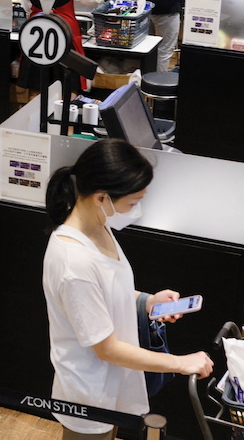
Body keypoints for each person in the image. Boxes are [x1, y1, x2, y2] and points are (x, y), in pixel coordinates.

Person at [42, 138, 214, 439]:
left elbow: (106, 289)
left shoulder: (97, 225)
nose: (137, 208)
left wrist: (147, 302)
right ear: (101, 197)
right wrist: (180, 363)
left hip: (111, 383)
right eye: (133, 201)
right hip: (90, 394)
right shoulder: (74, 264)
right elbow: (106, 348)